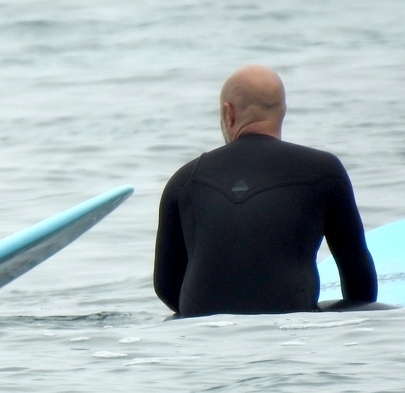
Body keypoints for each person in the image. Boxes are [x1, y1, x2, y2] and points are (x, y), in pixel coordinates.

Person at [153, 65, 377, 317]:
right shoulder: (324, 170)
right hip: (293, 323)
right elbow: (359, 278)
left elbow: (165, 286)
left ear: (228, 113)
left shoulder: (185, 179)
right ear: (283, 110)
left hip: (204, 329)